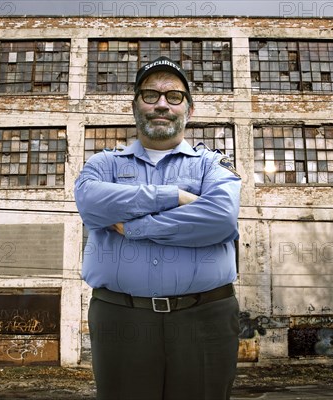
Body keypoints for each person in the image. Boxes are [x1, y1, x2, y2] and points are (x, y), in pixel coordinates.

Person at [74, 56, 242, 400]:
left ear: (189, 110)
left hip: (205, 315)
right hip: (121, 316)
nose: (162, 104)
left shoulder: (212, 164)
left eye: (174, 96)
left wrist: (135, 226)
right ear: (135, 106)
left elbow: (220, 219)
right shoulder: (103, 164)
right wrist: (175, 196)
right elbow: (91, 203)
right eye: (150, 95)